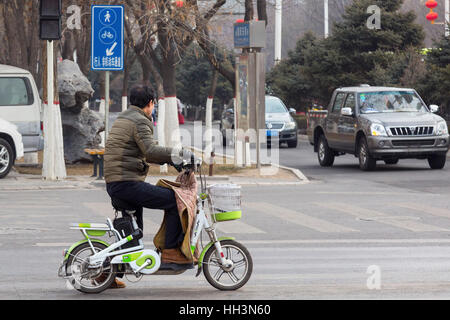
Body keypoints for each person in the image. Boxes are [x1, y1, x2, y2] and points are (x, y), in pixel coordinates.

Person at [104, 85, 194, 288]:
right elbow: (150, 150)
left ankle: (107, 274)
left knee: (133, 232)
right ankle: (171, 252)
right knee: (175, 200)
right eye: (153, 104)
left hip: (117, 182)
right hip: (126, 182)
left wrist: (171, 161)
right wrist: (179, 155)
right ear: (150, 103)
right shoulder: (140, 121)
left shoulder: (125, 118)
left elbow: (139, 152)